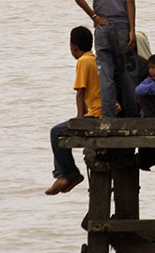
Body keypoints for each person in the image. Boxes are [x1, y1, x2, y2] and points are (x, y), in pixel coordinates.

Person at [71, 0, 139, 118]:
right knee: (128, 76)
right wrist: (132, 30)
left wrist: (93, 16)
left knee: (106, 76)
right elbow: (130, 1)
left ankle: (108, 119)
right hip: (122, 27)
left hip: (102, 28)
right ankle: (133, 116)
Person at [46, 26, 100, 195]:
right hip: (104, 112)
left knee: (56, 132)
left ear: (73, 47)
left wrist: (79, 119)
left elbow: (80, 92)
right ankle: (68, 175)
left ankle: (66, 175)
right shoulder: (95, 59)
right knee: (59, 131)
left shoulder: (83, 61)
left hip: (96, 115)